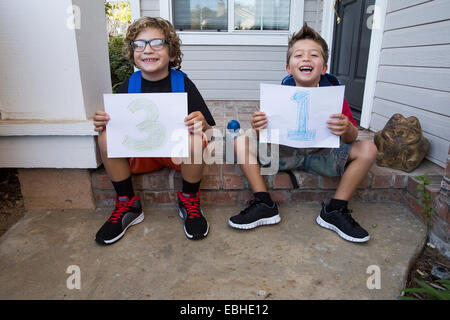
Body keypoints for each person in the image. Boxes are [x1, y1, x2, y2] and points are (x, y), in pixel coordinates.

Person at [228, 23, 377, 243]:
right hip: (286, 153)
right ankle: (264, 203)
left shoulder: (335, 97)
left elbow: (351, 138)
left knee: (368, 148)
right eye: (299, 55)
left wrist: (347, 128)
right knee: (241, 141)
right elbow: (264, 137)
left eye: (314, 55)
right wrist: (259, 127)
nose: (306, 58)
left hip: (322, 155)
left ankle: (335, 210)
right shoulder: (277, 97)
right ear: (289, 68)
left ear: (324, 67)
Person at [93, 17, 215, 244]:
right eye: (139, 44)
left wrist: (200, 122)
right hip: (141, 153)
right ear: (133, 53)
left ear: (171, 53)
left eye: (157, 43)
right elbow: (115, 126)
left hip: (175, 154)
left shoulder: (184, 84)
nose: (147, 49)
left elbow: (206, 126)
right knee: (106, 135)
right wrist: (103, 121)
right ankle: (128, 203)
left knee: (197, 141)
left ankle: (189, 199)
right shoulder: (127, 87)